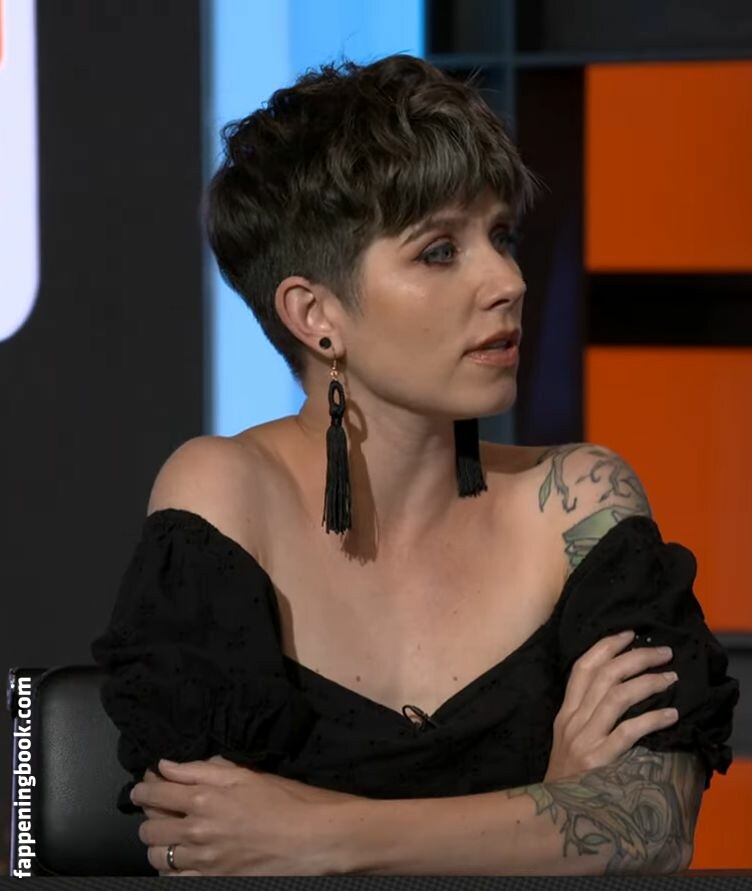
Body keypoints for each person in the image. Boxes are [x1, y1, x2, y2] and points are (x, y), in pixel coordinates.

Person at [90, 53, 739, 877]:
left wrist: (318, 834)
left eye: (501, 236)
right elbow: (199, 841)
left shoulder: (578, 499)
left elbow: (651, 825)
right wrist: (551, 800)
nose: (508, 280)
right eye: (439, 250)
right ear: (315, 314)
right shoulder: (223, 491)